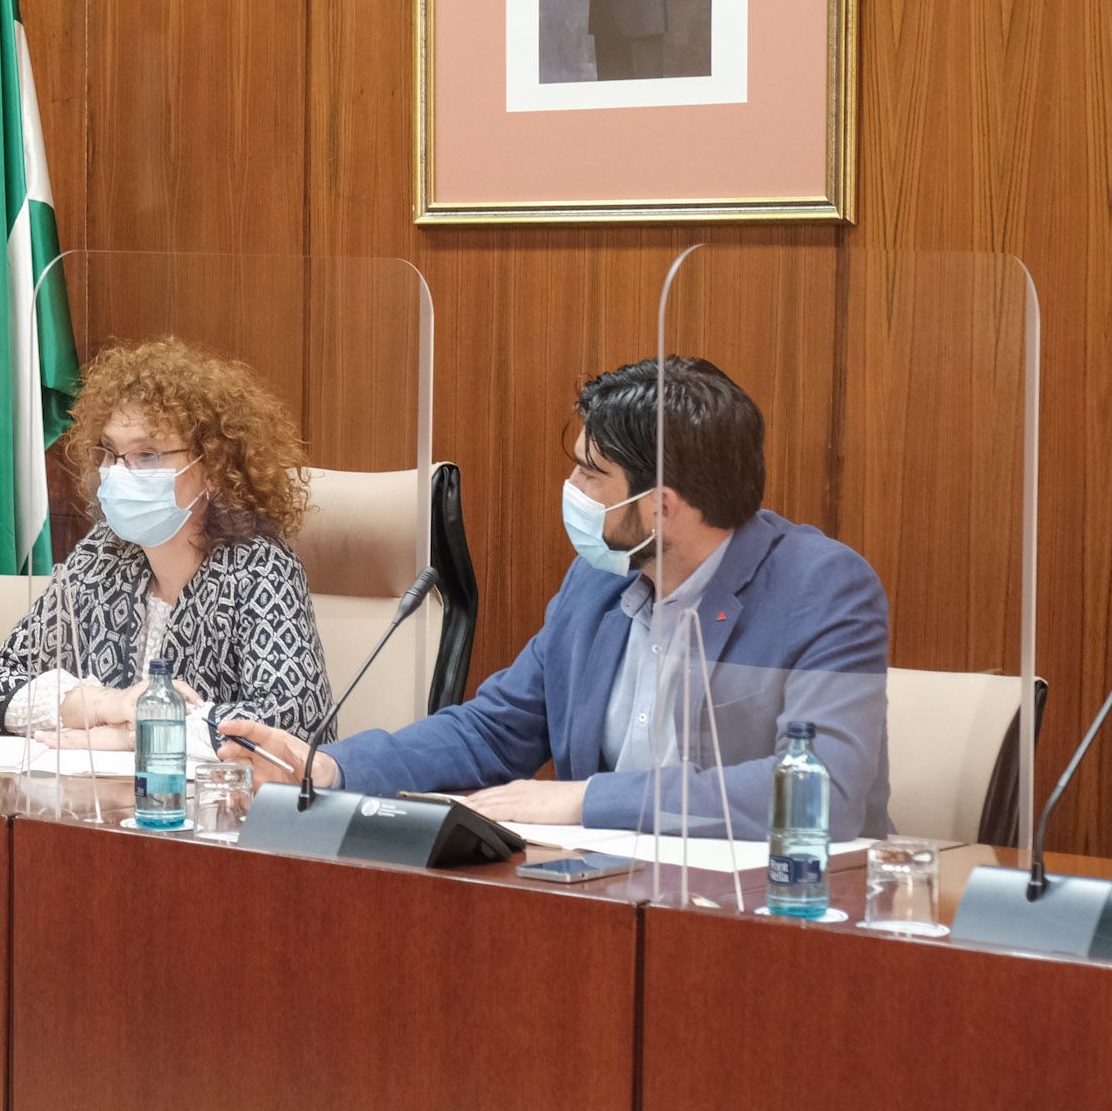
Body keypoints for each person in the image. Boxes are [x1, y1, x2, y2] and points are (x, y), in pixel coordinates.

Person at [222, 358, 893, 840]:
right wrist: (334, 765)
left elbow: (821, 792)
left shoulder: (822, 590)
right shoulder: (598, 580)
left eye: (589, 472)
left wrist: (586, 800)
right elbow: (495, 727)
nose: (569, 486)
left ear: (660, 507)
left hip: (781, 910)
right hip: (603, 888)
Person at [0, 340, 332, 754]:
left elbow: (292, 720)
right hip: (104, 806)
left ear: (213, 469)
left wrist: (133, 736)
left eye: (146, 455)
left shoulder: (261, 569)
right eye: (110, 453)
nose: (120, 473)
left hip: (230, 810)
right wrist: (108, 704)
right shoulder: (101, 556)